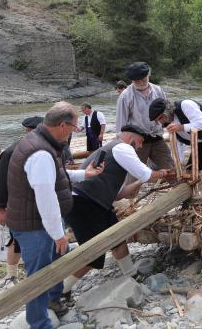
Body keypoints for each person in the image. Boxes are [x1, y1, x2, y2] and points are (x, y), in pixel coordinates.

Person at [5, 102, 102, 327]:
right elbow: (45, 197)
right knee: (38, 278)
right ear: (61, 125)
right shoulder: (40, 152)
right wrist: (58, 234)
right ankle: (39, 322)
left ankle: (54, 300)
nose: (74, 131)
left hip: (35, 222)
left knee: (61, 257)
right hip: (34, 226)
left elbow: (55, 175)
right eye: (74, 127)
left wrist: (83, 174)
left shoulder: (38, 142)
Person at [62, 125, 174, 297]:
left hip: (97, 203)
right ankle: (61, 290)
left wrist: (140, 182)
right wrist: (163, 173)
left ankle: (131, 276)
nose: (140, 147)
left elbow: (118, 195)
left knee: (118, 239)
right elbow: (147, 174)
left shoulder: (114, 151)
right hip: (83, 204)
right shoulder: (122, 147)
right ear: (131, 138)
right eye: (140, 142)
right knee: (94, 254)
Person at [0, 115, 43, 285]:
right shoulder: (10, 152)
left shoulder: (40, 148)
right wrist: (0, 209)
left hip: (34, 203)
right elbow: (0, 183)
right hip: (16, 205)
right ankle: (11, 275)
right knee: (16, 239)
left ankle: (30, 273)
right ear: (30, 131)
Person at [149, 97, 202, 200]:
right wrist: (178, 164)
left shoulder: (185, 105)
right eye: (158, 120)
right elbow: (177, 142)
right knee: (191, 172)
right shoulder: (167, 122)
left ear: (167, 111)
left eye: (161, 117)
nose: (161, 122)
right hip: (199, 141)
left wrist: (181, 127)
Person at [115, 61, 173, 171]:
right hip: (137, 142)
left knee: (170, 169)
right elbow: (120, 124)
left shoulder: (158, 90)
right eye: (137, 81)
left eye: (144, 79)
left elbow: (167, 111)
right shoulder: (125, 96)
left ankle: (178, 187)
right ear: (132, 80)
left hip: (157, 138)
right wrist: (122, 146)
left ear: (148, 75)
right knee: (134, 175)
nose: (141, 83)